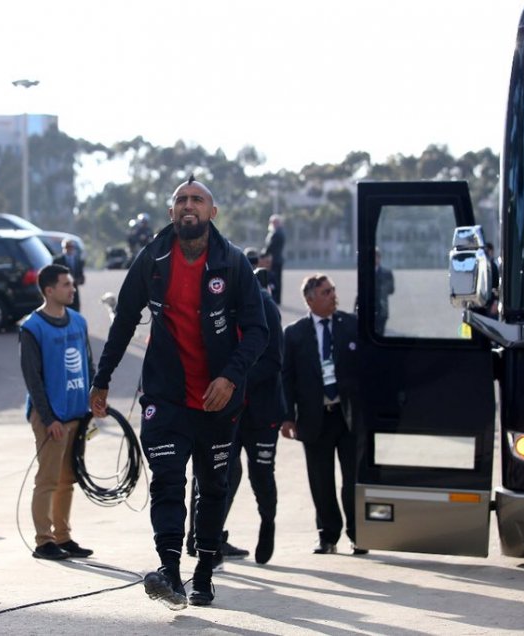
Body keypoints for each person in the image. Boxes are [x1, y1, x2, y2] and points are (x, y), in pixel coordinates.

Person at [90, 176, 268, 609]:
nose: (189, 205)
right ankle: (170, 570)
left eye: (198, 200)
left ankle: (204, 570)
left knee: (212, 487)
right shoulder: (152, 258)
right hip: (166, 396)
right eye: (181, 200)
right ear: (171, 213)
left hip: (218, 399)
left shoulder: (233, 262)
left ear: (212, 212)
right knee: (168, 483)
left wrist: (229, 377)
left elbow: (258, 331)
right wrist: (103, 377)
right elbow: (125, 318)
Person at [186, 266, 285, 564]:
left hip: (259, 409)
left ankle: (267, 522)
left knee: (261, 475)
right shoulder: (223, 305)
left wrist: (232, 379)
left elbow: (273, 361)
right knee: (217, 471)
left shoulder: (265, 307)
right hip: (227, 409)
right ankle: (205, 538)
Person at [281, 274, 365, 556]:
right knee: (321, 480)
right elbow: (287, 379)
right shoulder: (294, 334)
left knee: (353, 478)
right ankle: (328, 536)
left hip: (348, 416)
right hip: (314, 417)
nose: (333, 295)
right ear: (310, 300)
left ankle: (358, 534)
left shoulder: (351, 325)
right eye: (326, 292)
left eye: (332, 290)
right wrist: (286, 416)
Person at [20, 263, 95, 561]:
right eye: (66, 284)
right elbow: (32, 378)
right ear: (49, 290)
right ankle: (43, 541)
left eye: (72, 284)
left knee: (68, 479)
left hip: (77, 413)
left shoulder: (78, 321)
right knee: (48, 479)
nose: (72, 288)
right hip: (50, 418)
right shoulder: (32, 328)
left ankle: (63, 536)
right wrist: (49, 419)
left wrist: (95, 399)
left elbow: (89, 365)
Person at [52, 238, 85, 312]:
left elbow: (82, 277)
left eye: (71, 247)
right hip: (61, 292)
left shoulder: (78, 261)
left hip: (74, 292)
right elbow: (53, 276)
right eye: (67, 247)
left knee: (75, 312)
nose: (69, 249)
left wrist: (77, 280)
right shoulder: (57, 261)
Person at [264, 214, 285, 304]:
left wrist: (263, 254)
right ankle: (277, 299)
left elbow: (270, 247)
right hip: (278, 259)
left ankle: (275, 299)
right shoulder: (280, 232)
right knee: (277, 281)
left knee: (274, 281)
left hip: (274, 260)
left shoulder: (276, 233)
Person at [375, 248, 395, 334]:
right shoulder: (364, 271)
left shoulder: (387, 273)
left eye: (376, 256)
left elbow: (391, 290)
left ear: (379, 258)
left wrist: (382, 288)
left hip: (382, 309)